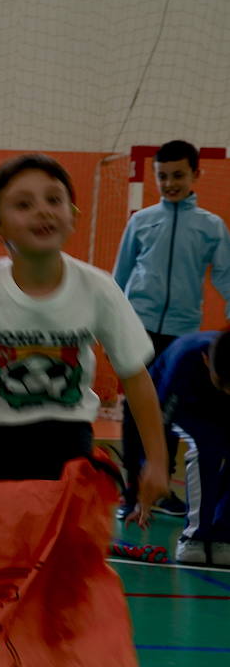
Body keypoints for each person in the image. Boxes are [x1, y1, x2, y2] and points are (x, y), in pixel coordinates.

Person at [0, 154, 168, 517]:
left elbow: (135, 377)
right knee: (9, 537)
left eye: (54, 200)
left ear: (74, 216)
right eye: (23, 204)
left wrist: (158, 460)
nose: (43, 211)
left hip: (69, 432)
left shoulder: (98, 289)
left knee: (66, 541)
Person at [113, 139, 230, 519]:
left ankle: (162, 486)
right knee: (135, 411)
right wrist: (111, 321)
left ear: (196, 174)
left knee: (167, 412)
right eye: (162, 177)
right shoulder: (141, 221)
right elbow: (120, 276)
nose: (169, 183)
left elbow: (226, 279)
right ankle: (131, 491)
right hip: (138, 328)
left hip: (181, 336)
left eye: (178, 175)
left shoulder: (212, 227)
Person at [122, 330, 229, 564]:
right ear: (206, 360)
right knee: (206, 448)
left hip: (219, 409)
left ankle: (223, 534)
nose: (227, 391)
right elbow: (158, 425)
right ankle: (194, 538)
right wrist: (152, 474)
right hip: (184, 405)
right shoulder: (185, 359)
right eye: (222, 384)